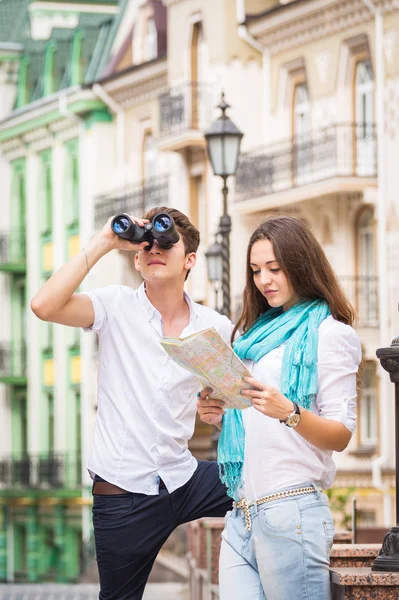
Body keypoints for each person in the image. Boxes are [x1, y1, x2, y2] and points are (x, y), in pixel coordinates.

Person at [31, 206, 233, 600]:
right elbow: (44, 305)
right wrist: (106, 239)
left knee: (260, 479)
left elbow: (229, 397)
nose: (155, 249)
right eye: (146, 246)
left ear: (190, 260)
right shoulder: (114, 306)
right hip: (123, 493)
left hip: (183, 478)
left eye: (165, 243)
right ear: (137, 258)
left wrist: (212, 407)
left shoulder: (216, 327)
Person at [197, 216, 361, 600]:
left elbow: (341, 434)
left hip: (292, 512)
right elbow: (255, 423)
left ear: (301, 265)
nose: (264, 280)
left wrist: (290, 412)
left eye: (275, 268)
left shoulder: (331, 334)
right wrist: (219, 412)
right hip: (241, 514)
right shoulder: (251, 337)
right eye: (256, 270)